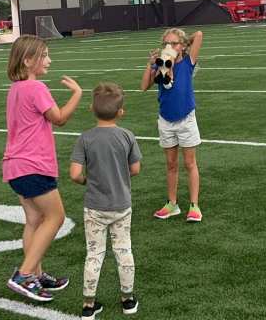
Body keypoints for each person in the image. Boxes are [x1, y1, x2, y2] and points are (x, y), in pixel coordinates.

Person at [3, 35, 83, 302]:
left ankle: (35, 274)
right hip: (33, 166)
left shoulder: (15, 89)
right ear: (28, 61)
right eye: (44, 55)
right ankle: (25, 274)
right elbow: (59, 118)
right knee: (55, 217)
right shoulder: (35, 87)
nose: (49, 60)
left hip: (15, 166)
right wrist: (77, 94)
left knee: (34, 220)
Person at [70, 82, 142, 318]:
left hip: (94, 206)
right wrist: (120, 176)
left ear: (91, 108)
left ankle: (88, 305)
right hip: (121, 204)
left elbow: (74, 174)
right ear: (121, 112)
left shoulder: (85, 138)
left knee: (94, 254)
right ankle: (127, 300)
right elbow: (135, 169)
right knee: (124, 250)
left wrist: (87, 181)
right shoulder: (127, 136)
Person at [139, 27, 204, 223]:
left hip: (186, 119)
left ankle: (194, 205)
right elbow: (143, 87)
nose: (169, 47)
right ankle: (172, 203)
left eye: (173, 43)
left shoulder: (187, 62)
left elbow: (199, 34)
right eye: (166, 44)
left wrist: (182, 45)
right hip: (166, 120)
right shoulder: (161, 65)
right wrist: (151, 64)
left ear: (183, 46)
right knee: (171, 164)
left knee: (190, 163)